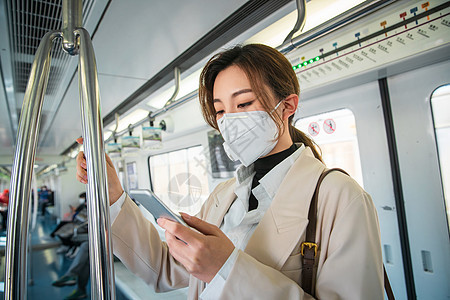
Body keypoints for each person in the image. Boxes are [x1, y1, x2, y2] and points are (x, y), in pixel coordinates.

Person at [76, 44, 383, 299]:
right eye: (220, 110)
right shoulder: (224, 196)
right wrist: (113, 193)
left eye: (244, 103)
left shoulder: (341, 198)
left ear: (288, 106)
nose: (228, 121)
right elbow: (164, 269)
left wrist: (226, 268)